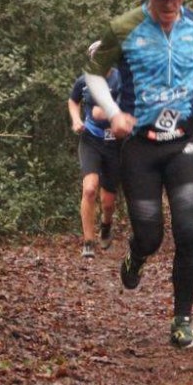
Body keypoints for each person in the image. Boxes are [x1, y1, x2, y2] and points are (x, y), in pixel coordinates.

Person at [83, 0, 193, 349]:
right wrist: (114, 113)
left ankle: (182, 321)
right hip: (139, 148)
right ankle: (136, 255)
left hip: (183, 142)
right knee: (150, 236)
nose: (171, 5)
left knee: (188, 229)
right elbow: (93, 73)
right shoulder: (124, 28)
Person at [68, 41, 122, 259]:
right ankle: (88, 241)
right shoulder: (84, 80)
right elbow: (73, 101)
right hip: (91, 139)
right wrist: (76, 120)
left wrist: (109, 112)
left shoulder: (121, 79)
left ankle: (106, 226)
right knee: (89, 189)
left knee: (108, 202)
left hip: (115, 143)